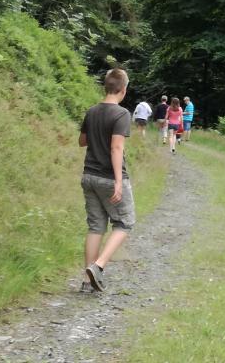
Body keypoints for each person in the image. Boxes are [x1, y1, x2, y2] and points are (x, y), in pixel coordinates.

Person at [78, 68, 136, 293]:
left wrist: (95, 133)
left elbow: (82, 141)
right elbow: (116, 147)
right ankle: (98, 266)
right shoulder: (121, 114)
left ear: (106, 87)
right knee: (125, 223)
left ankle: (86, 280)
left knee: (95, 226)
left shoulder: (92, 111)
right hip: (108, 177)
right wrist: (119, 181)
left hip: (88, 176)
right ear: (123, 90)